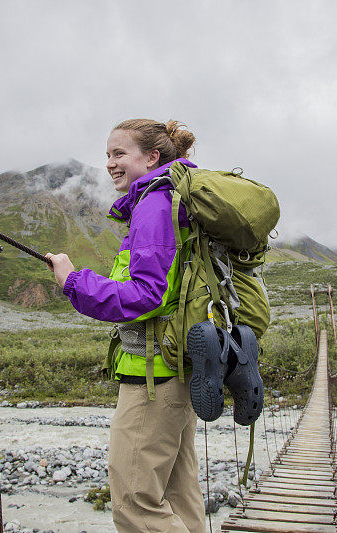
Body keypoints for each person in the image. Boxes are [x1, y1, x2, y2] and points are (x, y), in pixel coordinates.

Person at [46, 118, 206, 532]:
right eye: (108, 156)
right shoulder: (171, 199)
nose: (110, 164)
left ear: (151, 157)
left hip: (153, 376)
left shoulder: (154, 205)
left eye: (119, 154)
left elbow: (148, 294)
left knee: (135, 502)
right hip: (177, 369)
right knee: (177, 493)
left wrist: (74, 281)